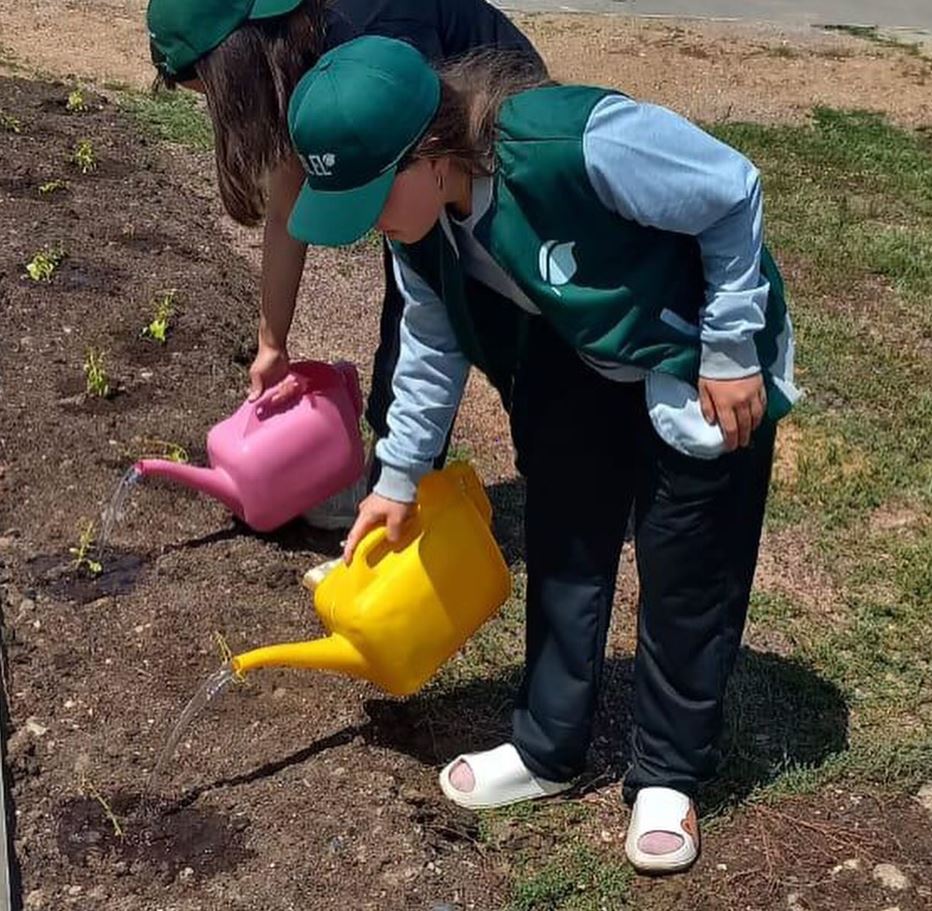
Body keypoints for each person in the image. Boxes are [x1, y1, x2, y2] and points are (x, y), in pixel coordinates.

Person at [284, 35, 800, 874]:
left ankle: (668, 772)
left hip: (695, 347)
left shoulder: (583, 144)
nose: (366, 223)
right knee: (563, 535)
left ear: (434, 153)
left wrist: (733, 347)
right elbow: (430, 334)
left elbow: (731, 189)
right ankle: (547, 745)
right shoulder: (419, 225)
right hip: (579, 355)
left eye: (372, 195)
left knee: (686, 562)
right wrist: (400, 475)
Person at [144, 0, 544, 515]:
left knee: (474, 311)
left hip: (490, 136)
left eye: (217, 96)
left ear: (239, 59)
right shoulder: (287, 57)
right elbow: (288, 204)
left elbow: (417, 196)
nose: (220, 113)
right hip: (413, 158)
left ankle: (527, 477)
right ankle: (404, 477)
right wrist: (272, 345)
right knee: (424, 289)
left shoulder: (373, 34)